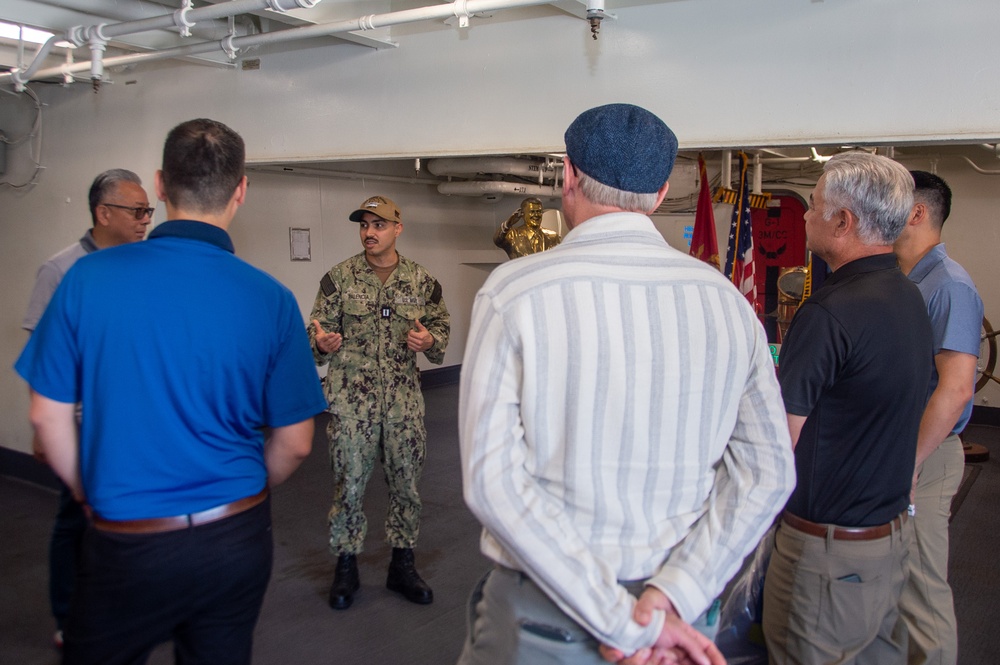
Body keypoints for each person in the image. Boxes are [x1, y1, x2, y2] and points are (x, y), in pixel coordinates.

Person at [458, 103, 796, 665]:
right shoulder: (729, 304)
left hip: (547, 619)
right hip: (680, 614)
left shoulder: (512, 292)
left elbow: (493, 483)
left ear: (567, 176)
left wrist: (619, 622)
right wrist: (670, 598)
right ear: (663, 192)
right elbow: (768, 472)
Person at [15, 118, 327, 665]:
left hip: (127, 537)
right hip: (235, 536)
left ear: (159, 185)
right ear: (241, 190)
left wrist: (89, 491)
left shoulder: (87, 278)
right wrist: (245, 491)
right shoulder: (271, 298)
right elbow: (296, 442)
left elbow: (46, 417)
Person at [763, 152, 934, 664]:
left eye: (812, 206)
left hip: (827, 557)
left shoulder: (828, 314)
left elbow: (777, 442)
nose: (806, 216)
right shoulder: (908, 297)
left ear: (844, 221)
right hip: (888, 538)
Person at [22, 167, 152, 648]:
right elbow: (40, 352)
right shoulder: (61, 270)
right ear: (104, 213)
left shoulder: (142, 264)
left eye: (148, 211)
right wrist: (41, 428)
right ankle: (68, 615)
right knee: (76, 519)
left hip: (133, 418)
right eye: (137, 211)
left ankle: (127, 607)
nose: (144, 221)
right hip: (79, 423)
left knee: (131, 517)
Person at [309, 194, 450, 610]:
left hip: (404, 404)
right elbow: (316, 330)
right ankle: (346, 567)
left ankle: (402, 565)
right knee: (348, 486)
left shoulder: (421, 281)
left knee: (406, 487)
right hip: (353, 405)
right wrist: (320, 342)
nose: (369, 232)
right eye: (364, 225)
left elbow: (440, 326)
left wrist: (431, 341)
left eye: (378, 225)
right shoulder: (339, 278)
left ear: (397, 228)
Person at [894, 171, 982, 665]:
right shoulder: (910, 279)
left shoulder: (949, 286)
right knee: (894, 584)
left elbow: (955, 390)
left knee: (921, 591)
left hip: (927, 454)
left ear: (917, 213)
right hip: (908, 448)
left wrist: (909, 463)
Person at [493, 196, 561, 259]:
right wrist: (508, 224)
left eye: (539, 212)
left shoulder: (553, 237)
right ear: (523, 214)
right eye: (532, 212)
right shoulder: (513, 235)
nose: (536, 215)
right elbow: (497, 240)